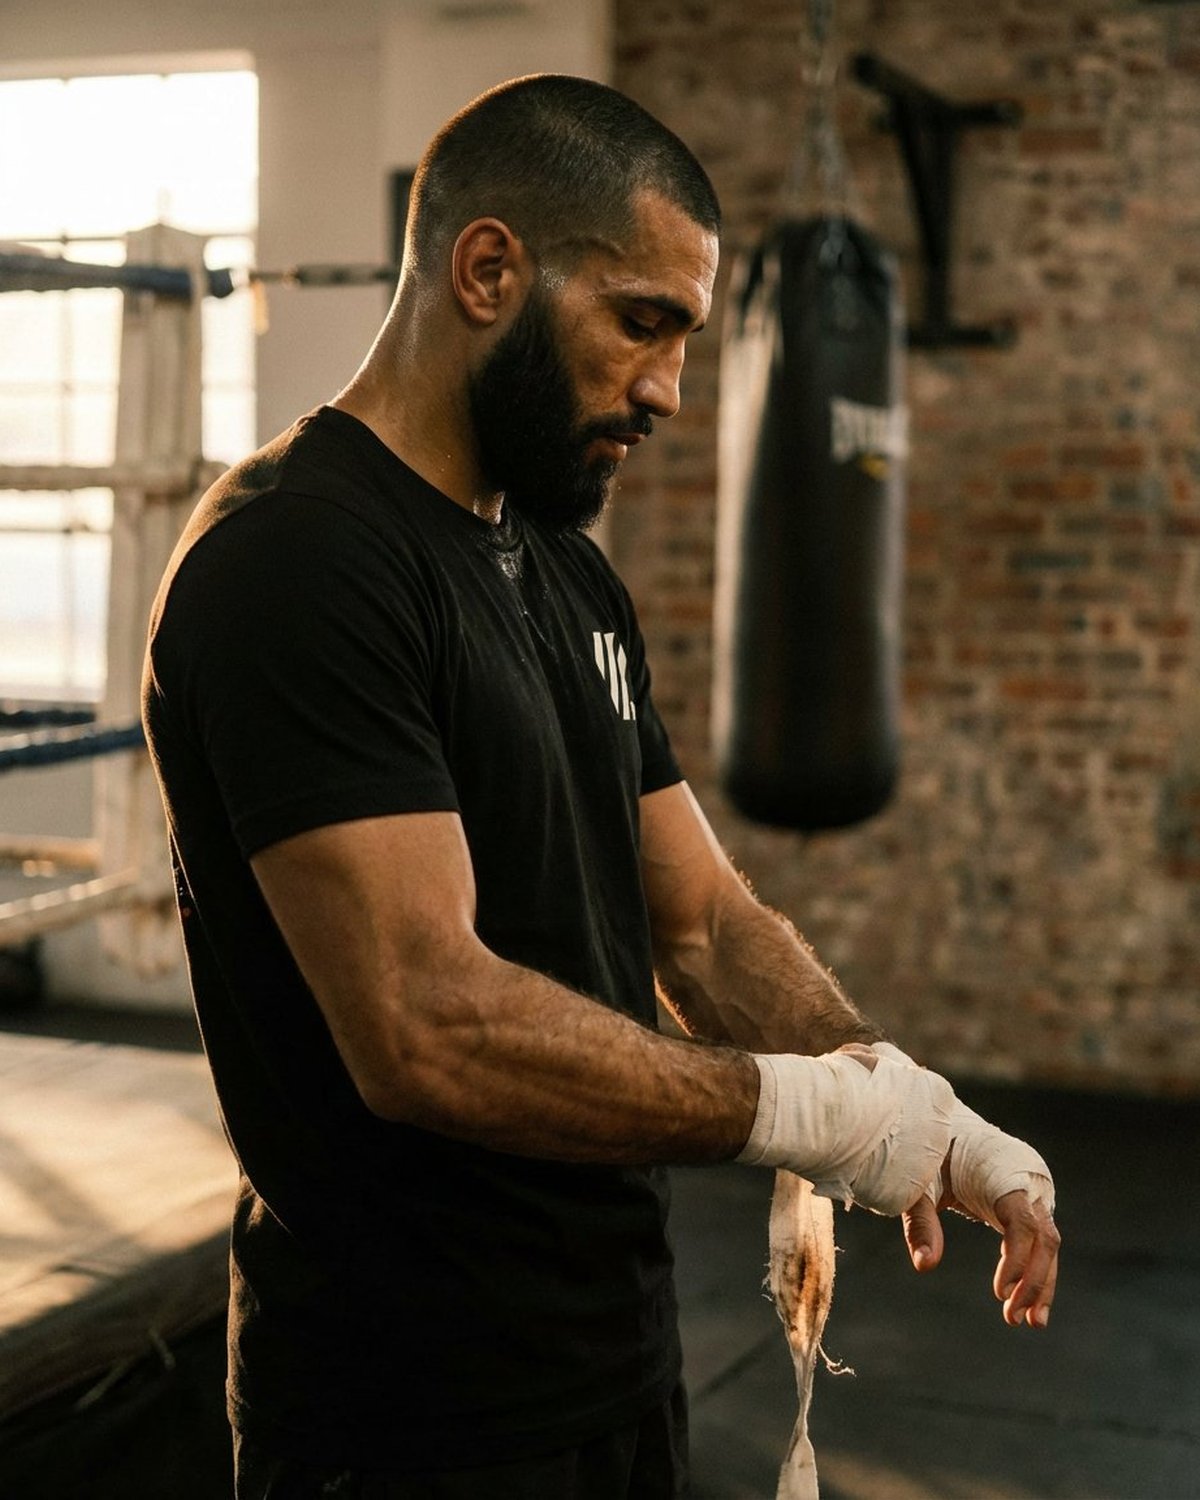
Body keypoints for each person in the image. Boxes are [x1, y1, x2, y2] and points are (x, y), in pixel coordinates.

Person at [142, 74, 1060, 1500]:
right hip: (406, 1419)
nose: (670, 391)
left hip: (614, 1367)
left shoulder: (566, 569)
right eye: (641, 322)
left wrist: (908, 1110)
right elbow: (425, 1022)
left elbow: (699, 922)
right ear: (490, 268)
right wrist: (803, 1116)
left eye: (688, 339)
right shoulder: (299, 563)